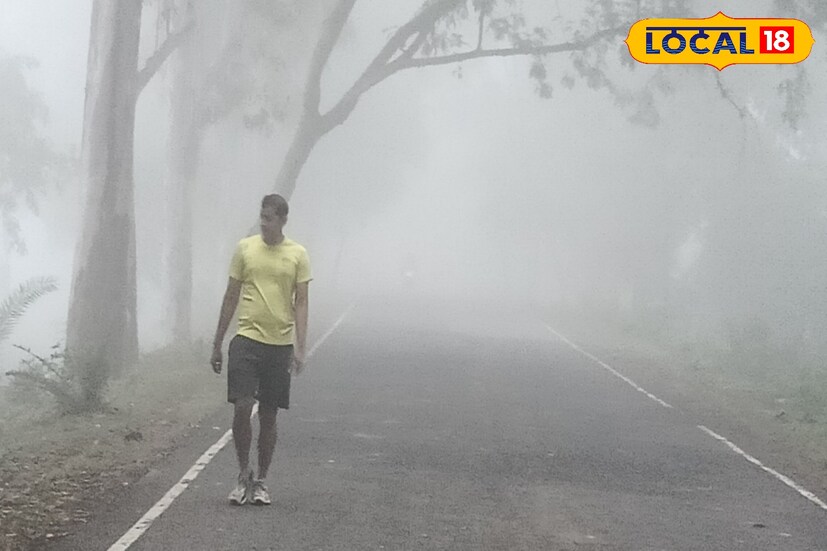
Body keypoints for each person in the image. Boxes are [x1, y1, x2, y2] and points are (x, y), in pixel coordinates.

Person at [210, 193, 311, 505]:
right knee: (242, 406)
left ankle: (262, 481)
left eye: (269, 218)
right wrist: (217, 343)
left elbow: (301, 302)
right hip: (246, 339)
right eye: (262, 217)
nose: (264, 224)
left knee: (268, 414)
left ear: (283, 220)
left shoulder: (297, 254)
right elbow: (231, 295)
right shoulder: (245, 248)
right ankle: (243, 474)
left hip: (279, 345)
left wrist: (300, 347)